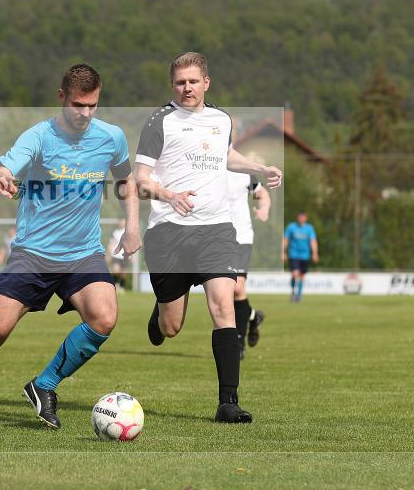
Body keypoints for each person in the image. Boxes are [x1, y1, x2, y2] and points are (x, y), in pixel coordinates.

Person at [0, 63, 141, 429]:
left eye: (93, 105)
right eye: (79, 105)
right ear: (62, 97)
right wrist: (0, 180)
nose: (86, 113)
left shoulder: (112, 137)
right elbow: (4, 168)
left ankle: (44, 385)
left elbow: (126, 181)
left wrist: (133, 225)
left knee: (105, 317)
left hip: (83, 254)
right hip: (33, 253)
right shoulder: (39, 136)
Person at [135, 52, 282, 424]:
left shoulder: (221, 119)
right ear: (173, 85)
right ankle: (162, 309)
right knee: (171, 327)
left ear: (206, 83)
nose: (187, 88)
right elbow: (140, 179)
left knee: (223, 306)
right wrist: (169, 195)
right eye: (180, 82)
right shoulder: (159, 121)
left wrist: (260, 168)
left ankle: (228, 402)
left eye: (193, 81)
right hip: (169, 234)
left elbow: (227, 156)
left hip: (216, 230)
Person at [227, 169, 270, 360]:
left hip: (241, 237)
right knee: (223, 292)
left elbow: (262, 194)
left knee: (236, 288)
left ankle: (238, 343)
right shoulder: (209, 166)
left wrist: (264, 209)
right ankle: (252, 316)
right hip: (214, 237)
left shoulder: (244, 173)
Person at [283, 212, 318, 302]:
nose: (301, 219)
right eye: (300, 218)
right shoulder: (291, 227)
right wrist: (283, 252)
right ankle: (294, 292)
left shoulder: (309, 228)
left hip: (305, 255)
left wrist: (315, 253)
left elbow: (313, 241)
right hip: (294, 254)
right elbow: (285, 240)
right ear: (297, 218)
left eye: (303, 218)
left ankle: (299, 295)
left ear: (305, 218)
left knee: (302, 275)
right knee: (295, 274)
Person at [105, 218, 130, 290]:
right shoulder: (115, 232)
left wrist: (133, 255)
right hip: (116, 255)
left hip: (125, 256)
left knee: (123, 273)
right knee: (115, 270)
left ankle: (122, 287)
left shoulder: (128, 232)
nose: (122, 223)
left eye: (123, 221)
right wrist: (108, 255)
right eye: (121, 221)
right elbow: (111, 244)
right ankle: (114, 286)